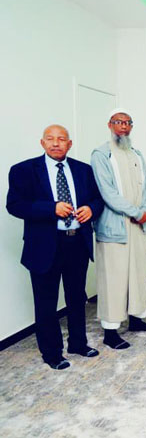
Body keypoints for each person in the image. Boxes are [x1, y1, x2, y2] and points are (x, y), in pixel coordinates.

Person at [6, 125, 103, 370]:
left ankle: (78, 344)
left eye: (61, 139)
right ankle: (51, 353)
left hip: (77, 243)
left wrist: (91, 209)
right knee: (46, 302)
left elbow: (97, 200)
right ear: (42, 143)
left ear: (69, 144)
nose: (56, 143)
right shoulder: (23, 170)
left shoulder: (83, 170)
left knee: (76, 297)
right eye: (50, 139)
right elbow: (14, 205)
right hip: (44, 246)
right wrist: (51, 208)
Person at [91, 108, 146, 350]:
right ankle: (110, 331)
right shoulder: (102, 154)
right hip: (115, 227)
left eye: (128, 123)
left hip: (138, 225)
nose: (124, 126)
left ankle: (137, 319)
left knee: (137, 275)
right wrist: (136, 212)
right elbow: (107, 192)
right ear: (110, 125)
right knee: (114, 279)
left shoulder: (136, 154)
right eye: (119, 122)